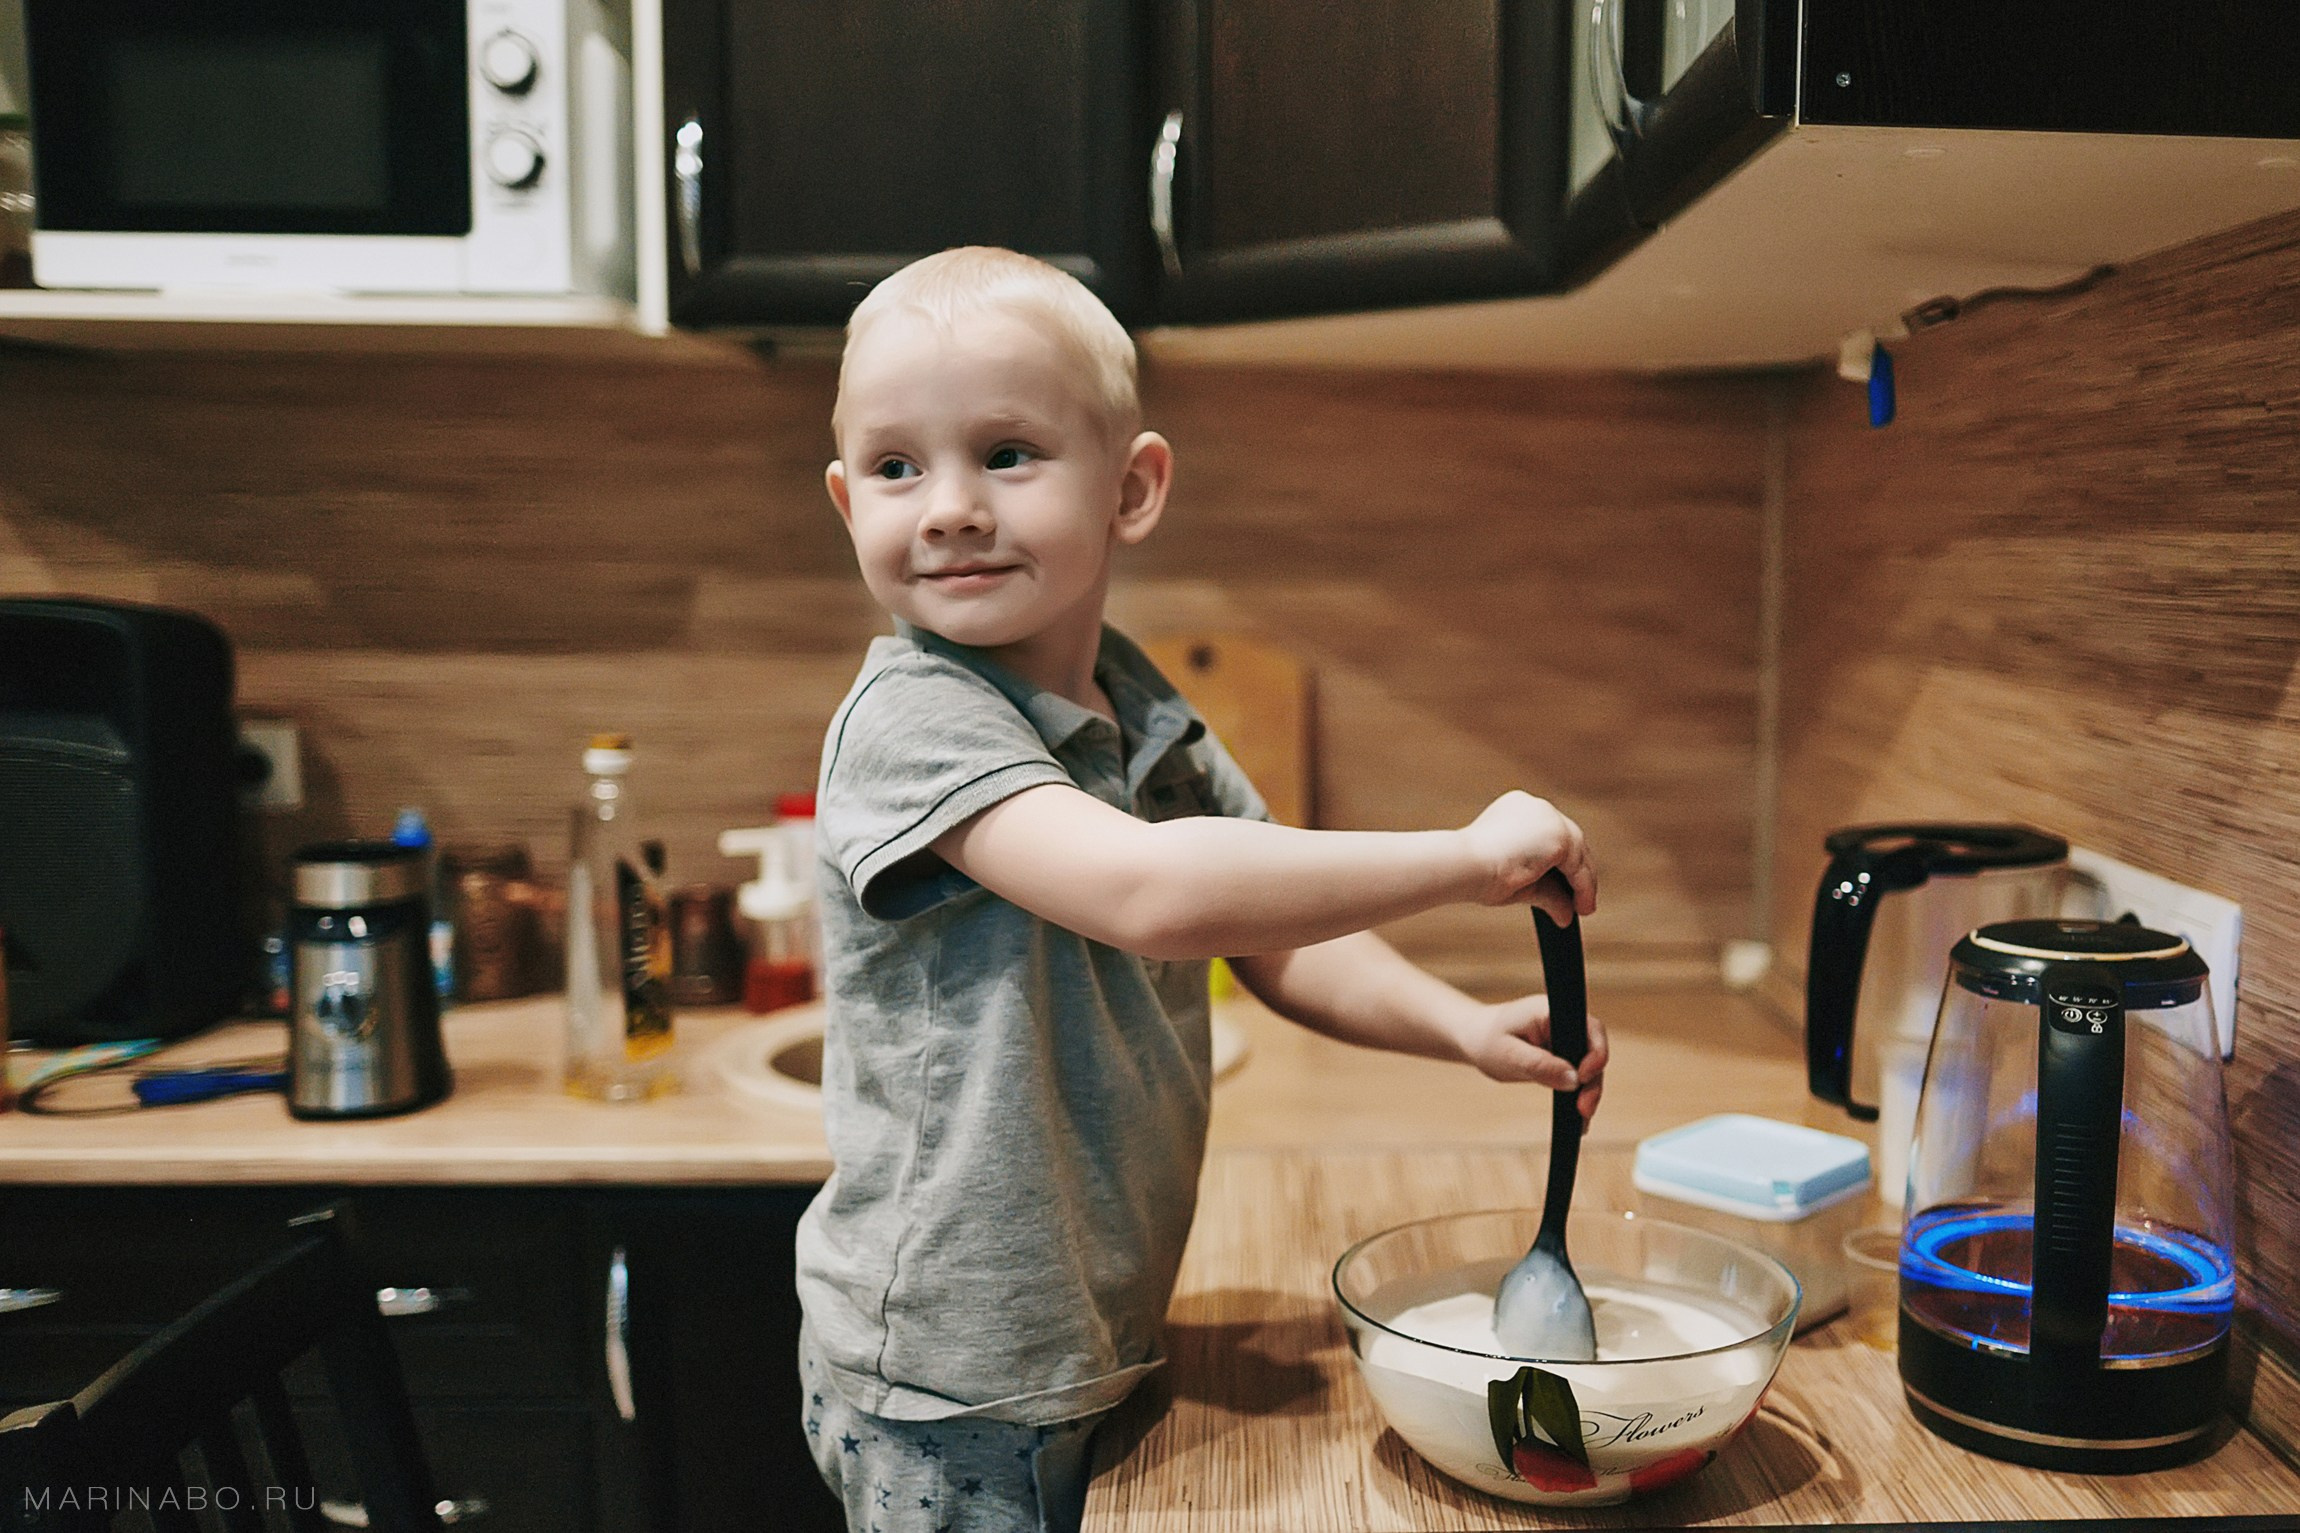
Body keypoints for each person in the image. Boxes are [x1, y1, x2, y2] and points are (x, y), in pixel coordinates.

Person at [797, 246, 1605, 1533]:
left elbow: (1277, 942)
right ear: (848, 503)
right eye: (897, 467)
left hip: (1087, 1329)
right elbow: (1150, 894)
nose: (946, 506)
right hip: (957, 1378)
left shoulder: (1136, 703)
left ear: (1132, 489)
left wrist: (1459, 1028)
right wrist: (1461, 860)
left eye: (1004, 453)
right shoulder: (913, 717)